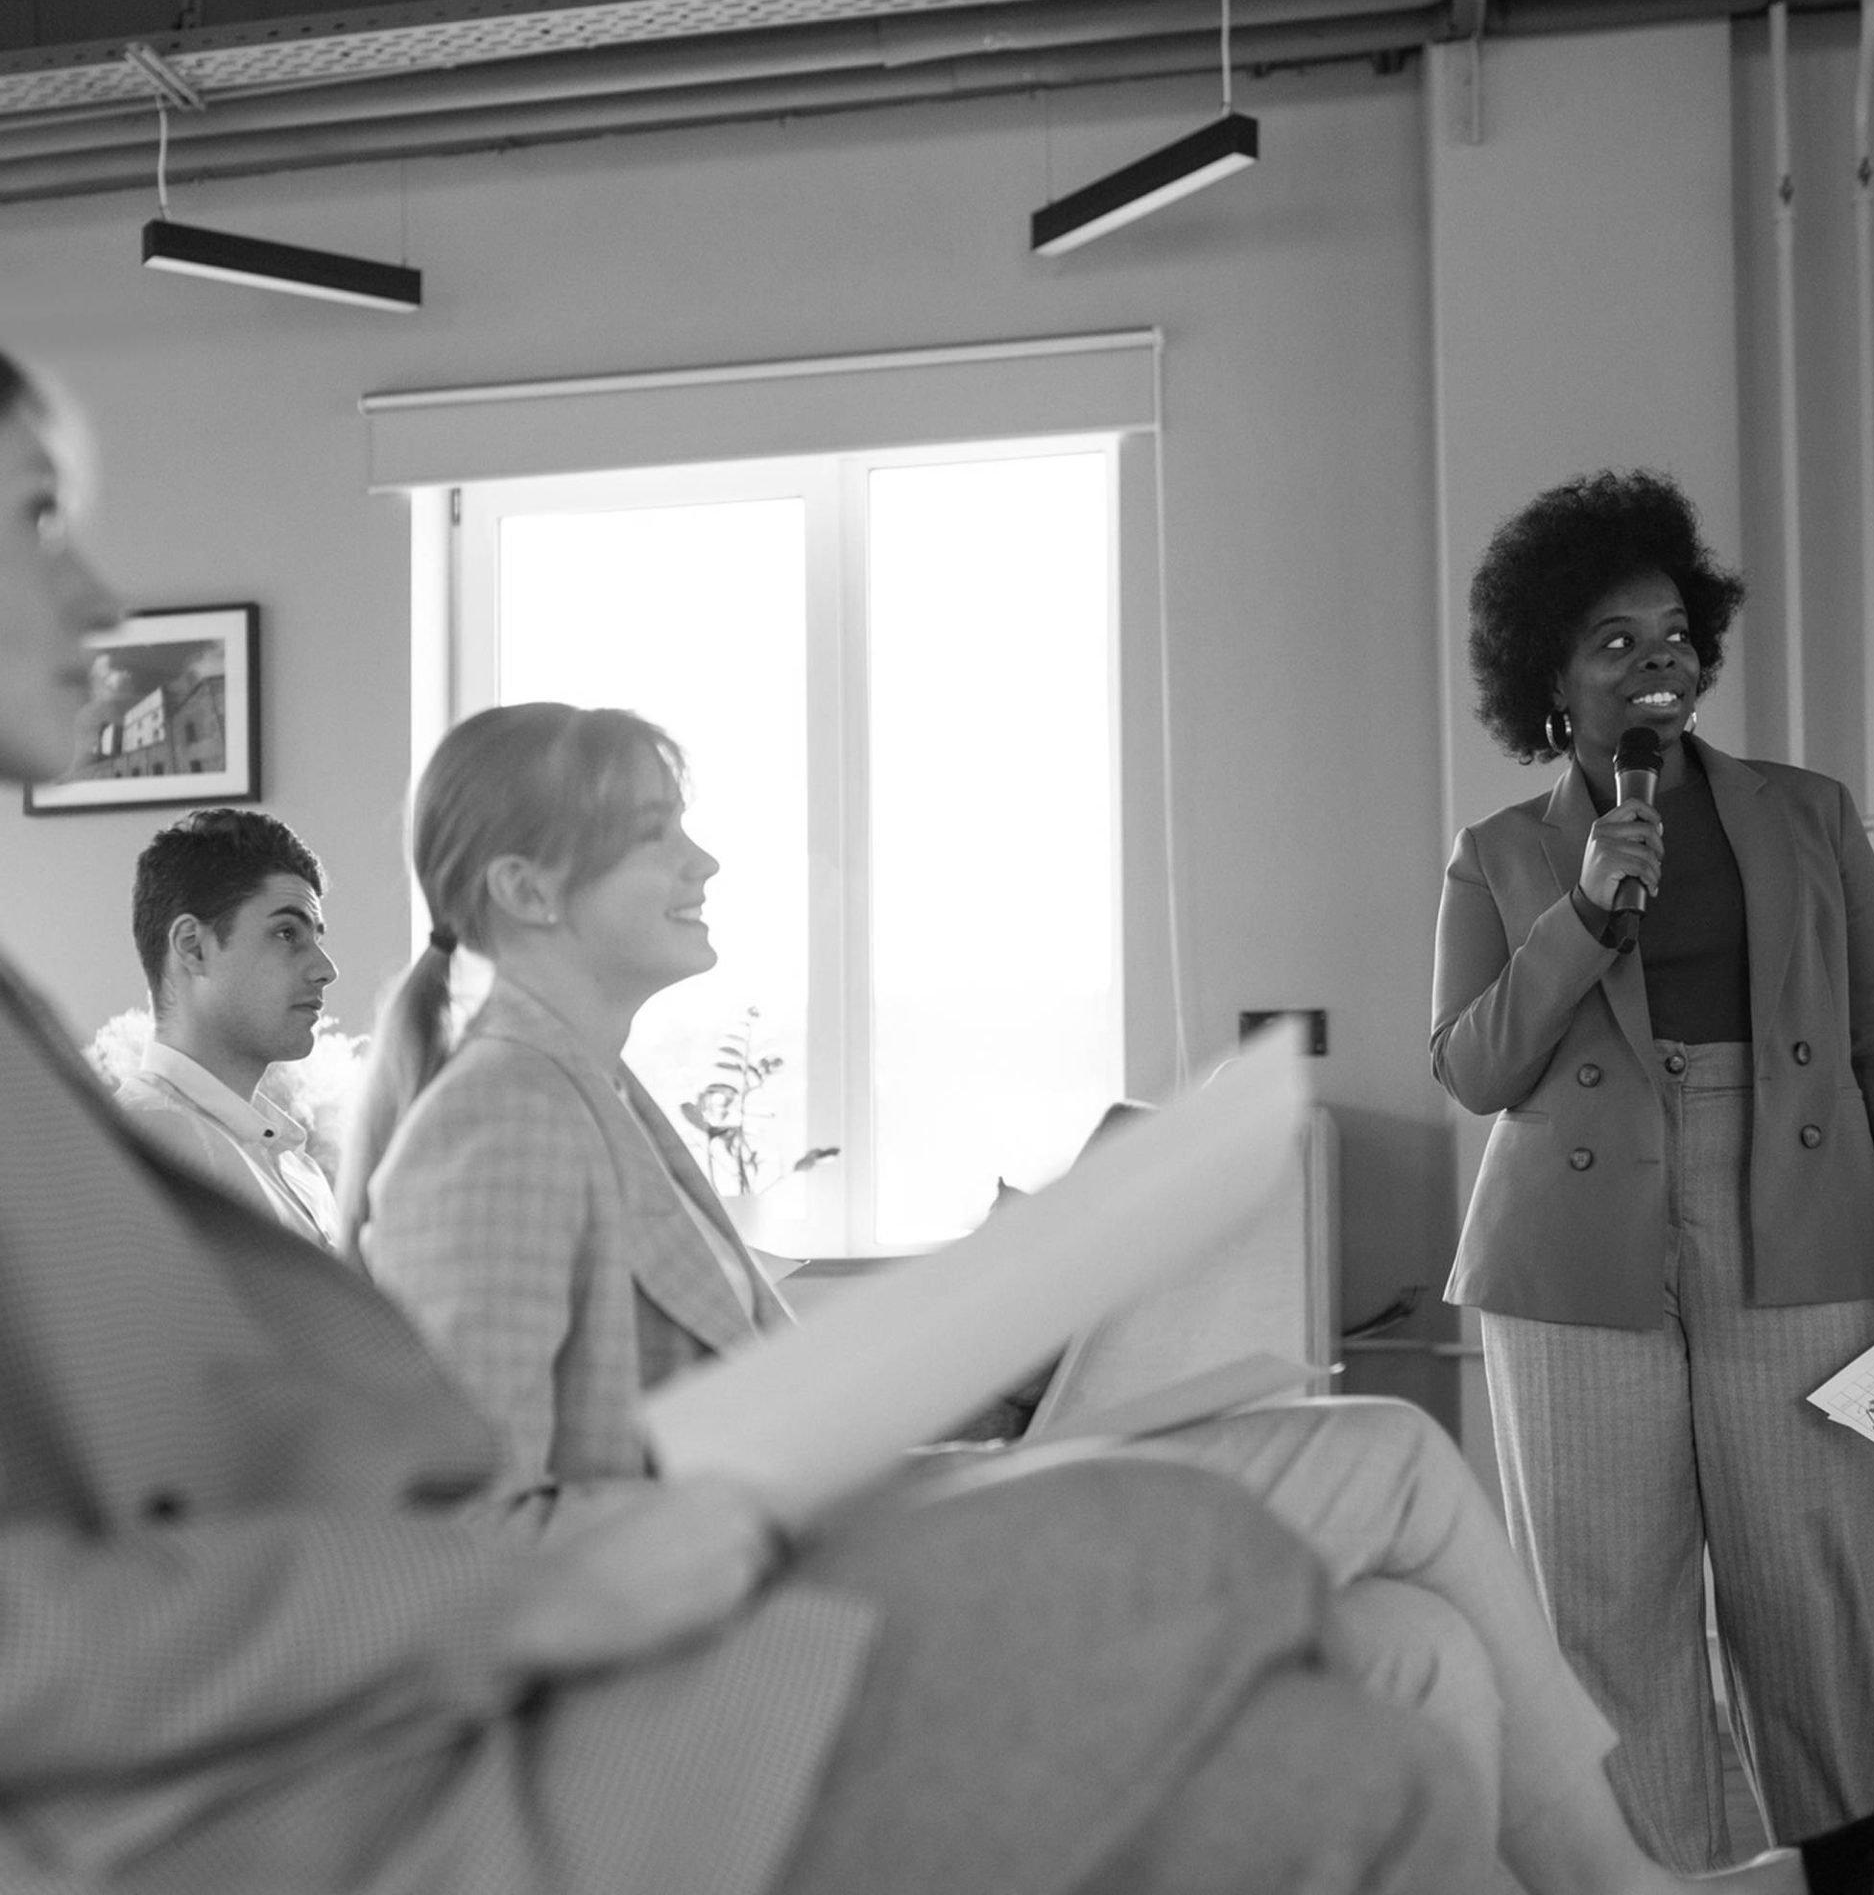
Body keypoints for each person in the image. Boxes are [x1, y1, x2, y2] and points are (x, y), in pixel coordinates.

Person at [0, 345, 1537, 1895]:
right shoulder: (489, 1120)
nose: (99, 599)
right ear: (532, 893)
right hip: (375, 1787)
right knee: (1218, 1558)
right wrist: (533, 1590)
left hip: (455, 1683)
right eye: (38, 522)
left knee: (1365, 1736)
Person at [342, 695, 1874, 1895]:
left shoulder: (603, 1094)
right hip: (754, 1628)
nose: (708, 860)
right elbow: (465, 1556)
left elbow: (716, 1400)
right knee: (1394, 1457)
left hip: (847, 1524)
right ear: (529, 890)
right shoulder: (496, 1121)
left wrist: (998, 1361)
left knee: (1418, 1648)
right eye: (656, 833)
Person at [1432, 467, 1874, 1881]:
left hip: (1804, 1217)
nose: (1659, 666)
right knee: (1605, 1616)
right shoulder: (1497, 858)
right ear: (1551, 683)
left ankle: (1844, 1877)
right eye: (1614, 643)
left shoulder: (1810, 814)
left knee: (1820, 1590)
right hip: (1572, 1253)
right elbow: (1471, 1070)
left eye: (1675, 636)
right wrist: (1585, 910)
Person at [114, 806, 342, 1247]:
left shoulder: (296, 1166)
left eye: (317, 937)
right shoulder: (150, 1152)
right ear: (192, 946)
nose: (325, 968)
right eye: (287, 934)